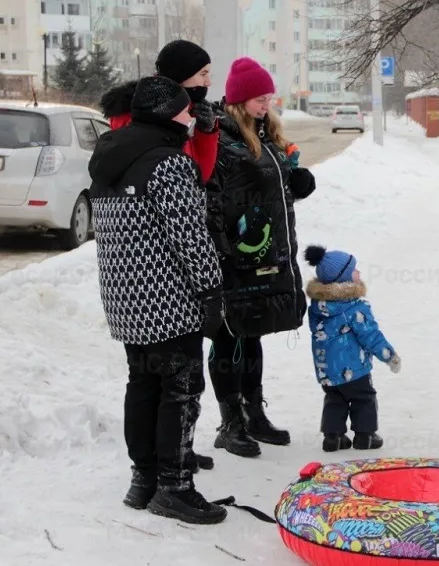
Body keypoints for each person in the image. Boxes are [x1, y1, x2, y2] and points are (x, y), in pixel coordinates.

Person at [88, 76, 229, 523]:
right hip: (169, 300)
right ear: (169, 113)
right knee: (181, 392)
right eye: (187, 110)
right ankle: (175, 486)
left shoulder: (110, 156)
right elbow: (191, 237)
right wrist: (211, 292)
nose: (193, 116)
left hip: (126, 300)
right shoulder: (167, 164)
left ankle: (143, 480)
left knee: (143, 386)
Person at [205, 57, 317, 458]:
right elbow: (215, 200)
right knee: (229, 335)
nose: (265, 103)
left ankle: (254, 412)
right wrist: (224, 251)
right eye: (258, 98)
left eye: (268, 97)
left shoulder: (266, 135)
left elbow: (269, 189)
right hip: (234, 257)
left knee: (252, 333)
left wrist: (296, 181)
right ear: (238, 100)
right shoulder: (221, 139)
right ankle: (229, 421)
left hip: (265, 254)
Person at [302, 245, 401, 452]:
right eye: (354, 270)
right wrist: (389, 355)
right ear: (343, 278)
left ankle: (333, 437)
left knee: (334, 399)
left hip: (326, 368)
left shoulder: (318, 307)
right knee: (364, 398)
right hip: (354, 369)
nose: (359, 273)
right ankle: (365, 436)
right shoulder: (354, 307)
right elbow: (370, 336)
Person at [99, 39, 220, 184]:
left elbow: (199, 176)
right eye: (203, 74)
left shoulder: (186, 112)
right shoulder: (135, 114)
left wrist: (206, 133)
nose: (208, 82)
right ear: (182, 74)